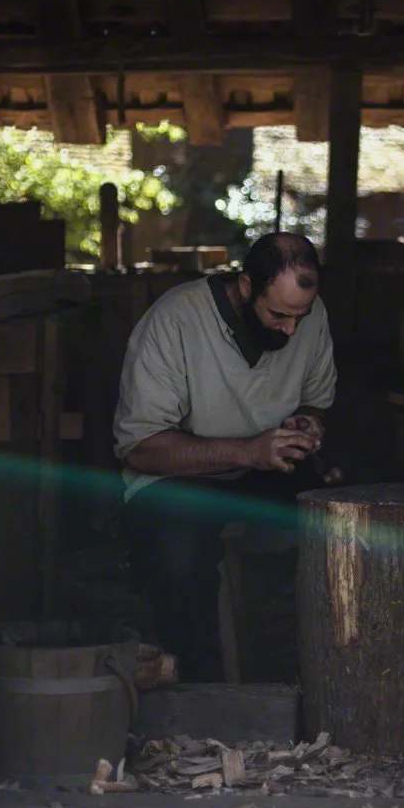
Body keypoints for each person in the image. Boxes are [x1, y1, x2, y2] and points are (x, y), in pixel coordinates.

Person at [112, 231, 337, 680]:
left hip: (267, 467)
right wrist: (246, 451)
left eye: (300, 315)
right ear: (247, 285)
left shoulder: (308, 319)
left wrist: (308, 425)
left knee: (340, 526)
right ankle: (200, 690)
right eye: (278, 314)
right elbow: (141, 449)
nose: (291, 328)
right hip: (178, 476)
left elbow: (315, 401)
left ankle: (309, 678)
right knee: (179, 556)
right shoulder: (176, 320)